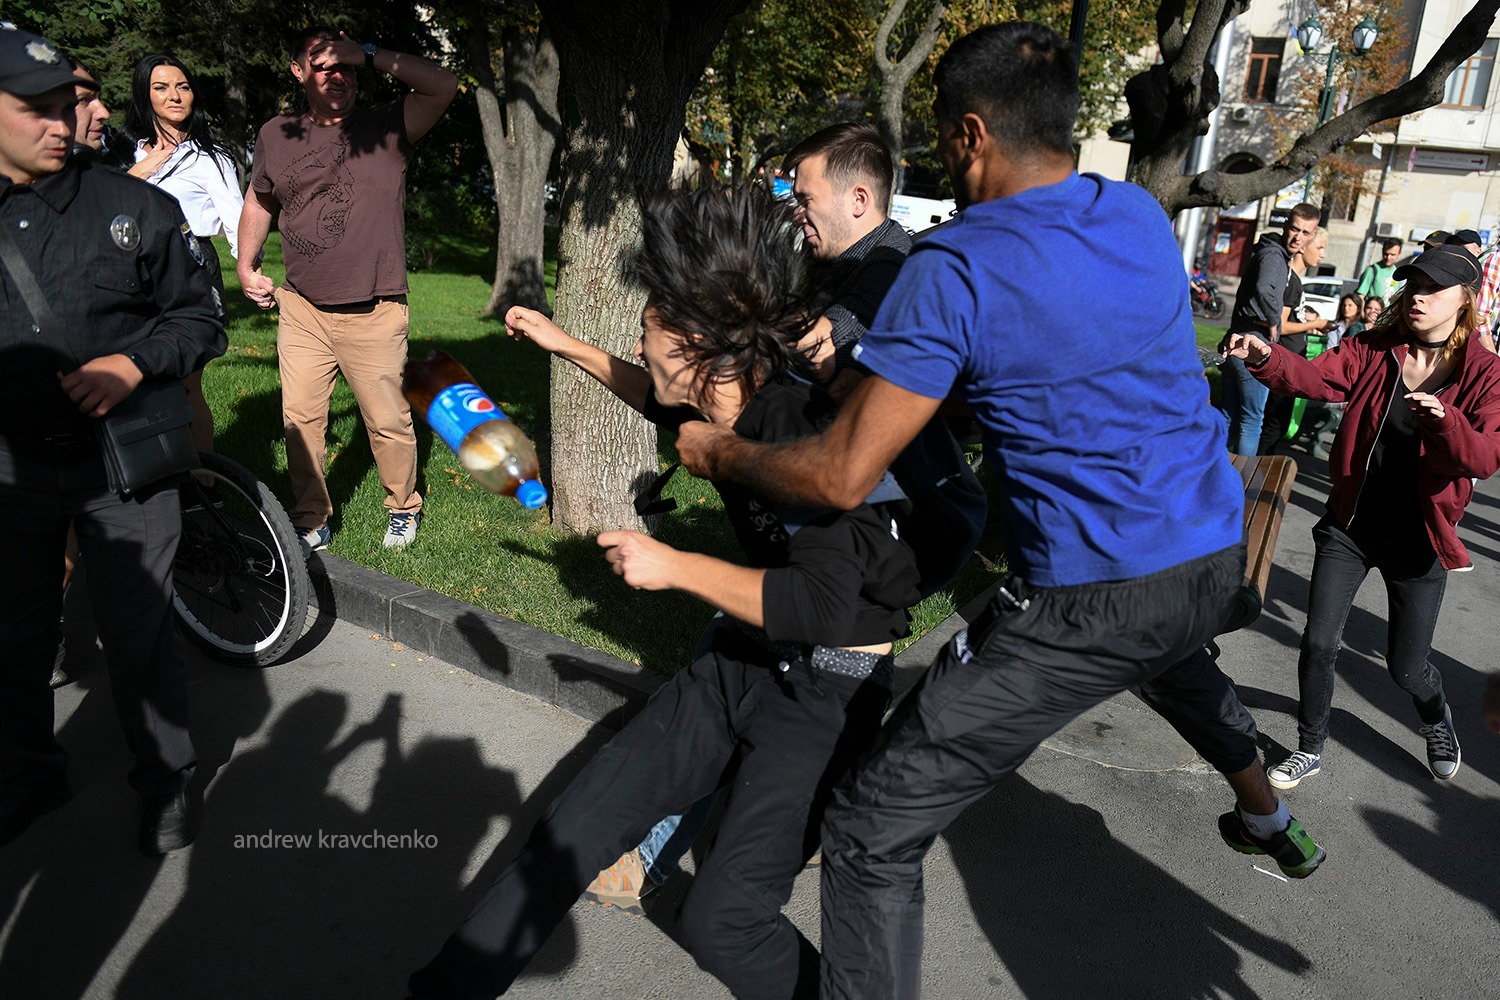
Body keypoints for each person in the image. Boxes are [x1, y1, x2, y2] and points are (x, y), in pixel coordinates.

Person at [677, 23, 1326, 1000]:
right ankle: (1267, 814)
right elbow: (1059, 353)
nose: (942, 153)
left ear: (971, 135)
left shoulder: (954, 268)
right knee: (1172, 662)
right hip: (1212, 558)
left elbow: (843, 474)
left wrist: (720, 448)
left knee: (868, 829)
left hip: (1088, 604)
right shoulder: (1137, 216)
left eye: (943, 135)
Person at [408, 182, 921, 1000]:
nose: (641, 344)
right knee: (574, 831)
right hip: (742, 658)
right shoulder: (720, 399)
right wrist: (562, 344)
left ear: (693, 344)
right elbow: (653, 395)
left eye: (648, 329)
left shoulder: (794, 429)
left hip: (827, 691)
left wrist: (673, 566)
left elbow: (827, 606)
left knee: (722, 914)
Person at [583, 121, 986, 915]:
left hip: (906, 522)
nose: (794, 209)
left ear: (859, 197)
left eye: (803, 196)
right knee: (754, 652)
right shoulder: (827, 269)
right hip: (837, 511)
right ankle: (710, 838)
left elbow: (821, 367)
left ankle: (758, 837)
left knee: (799, 650)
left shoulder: (894, 272)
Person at [0, 26, 225, 854]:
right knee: (16, 636)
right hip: (11, 469)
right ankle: (28, 774)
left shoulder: (136, 209)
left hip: (117, 466)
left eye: (69, 106)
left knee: (137, 635)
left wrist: (133, 364)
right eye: (36, 109)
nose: (61, 124)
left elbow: (200, 317)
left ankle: (166, 782)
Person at [1228, 244, 1500, 790]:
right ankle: (1310, 746)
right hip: (1350, 526)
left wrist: (1446, 422)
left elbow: (1485, 458)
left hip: (1420, 541)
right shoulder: (1377, 348)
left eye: (1434, 288)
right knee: (1319, 641)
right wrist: (1264, 356)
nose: (1418, 296)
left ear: (1465, 299)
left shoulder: (1485, 373)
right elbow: (1315, 379)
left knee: (1406, 669)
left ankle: (1435, 716)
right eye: (1413, 285)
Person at [237, 26, 457, 552]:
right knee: (301, 420)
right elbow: (259, 201)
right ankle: (312, 518)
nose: (337, 74)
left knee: (387, 421)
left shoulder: (386, 126)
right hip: (301, 306)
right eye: (323, 63)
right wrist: (246, 265)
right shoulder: (275, 134)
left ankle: (403, 506)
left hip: (374, 308)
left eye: (346, 66)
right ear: (297, 71)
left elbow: (444, 85)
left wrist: (373, 53)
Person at [125, 54, 242, 457]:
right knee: (141, 383)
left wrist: (250, 270)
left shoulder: (210, 158)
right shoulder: (126, 154)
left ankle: (203, 488)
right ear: (145, 95)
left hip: (189, 270)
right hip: (130, 275)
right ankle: (159, 480)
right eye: (161, 87)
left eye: (183, 86)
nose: (174, 96)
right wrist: (137, 173)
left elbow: (238, 223)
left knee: (186, 383)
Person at [1220, 202, 1321, 455]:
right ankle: (1242, 485)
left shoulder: (1271, 252)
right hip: (1251, 347)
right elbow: (1265, 289)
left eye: (1306, 233)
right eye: (1294, 229)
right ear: (1285, 226)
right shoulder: (1274, 256)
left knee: (1229, 417)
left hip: (1237, 342)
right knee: (1252, 421)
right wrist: (1274, 322)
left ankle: (1213, 475)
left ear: (1313, 234)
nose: (1298, 237)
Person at [1258, 226, 1332, 453]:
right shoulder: (1291, 281)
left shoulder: (1295, 280)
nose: (1323, 254)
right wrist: (1316, 324)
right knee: (1271, 425)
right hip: (1281, 363)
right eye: (1319, 247)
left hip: (1288, 362)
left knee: (1275, 425)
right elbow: (1281, 325)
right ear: (1303, 247)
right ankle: (1252, 478)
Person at [1357, 238, 1402, 304]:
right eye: (1386, 254)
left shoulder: (1397, 272)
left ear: (1399, 254)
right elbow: (1360, 296)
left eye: (1392, 255)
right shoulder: (1372, 270)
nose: (1388, 257)